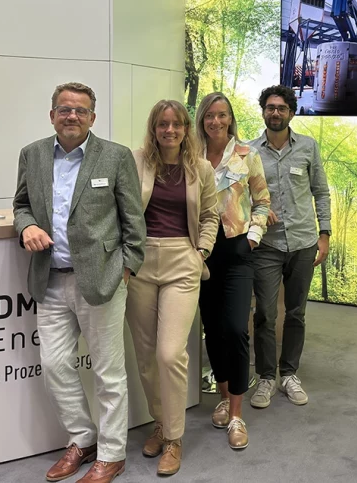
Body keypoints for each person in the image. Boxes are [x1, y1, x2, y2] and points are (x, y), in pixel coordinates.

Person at [12, 82, 145, 483]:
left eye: (81, 110)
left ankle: (112, 453)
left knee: (108, 373)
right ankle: (82, 438)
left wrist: (128, 267)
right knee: (53, 365)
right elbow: (20, 205)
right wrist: (27, 226)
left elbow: (133, 220)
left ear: (93, 117)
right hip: (49, 278)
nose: (72, 116)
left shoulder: (116, 156)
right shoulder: (32, 155)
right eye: (64, 109)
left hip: (102, 280)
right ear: (52, 114)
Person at [127, 100, 219, 476]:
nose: (169, 130)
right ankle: (160, 423)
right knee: (147, 356)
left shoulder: (201, 168)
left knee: (170, 354)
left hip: (183, 259)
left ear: (185, 129)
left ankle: (175, 437)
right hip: (141, 261)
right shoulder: (136, 161)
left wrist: (201, 252)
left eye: (176, 124)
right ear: (154, 127)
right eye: (162, 124)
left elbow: (211, 215)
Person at [196, 92, 271, 450]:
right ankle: (224, 397)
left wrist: (253, 238)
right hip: (201, 253)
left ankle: (238, 415)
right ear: (202, 119)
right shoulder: (188, 155)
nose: (216, 121)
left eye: (222, 115)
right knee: (212, 330)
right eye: (210, 115)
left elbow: (263, 200)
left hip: (238, 250)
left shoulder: (247, 154)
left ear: (230, 119)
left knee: (235, 330)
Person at [248, 85, 331, 410]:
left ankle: (289, 374)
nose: (276, 113)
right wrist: (253, 212)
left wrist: (324, 234)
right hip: (266, 245)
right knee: (265, 314)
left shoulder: (308, 147)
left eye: (282, 107)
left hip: (303, 243)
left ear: (292, 112)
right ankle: (267, 377)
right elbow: (238, 195)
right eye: (270, 107)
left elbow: (321, 193)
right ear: (264, 112)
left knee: (296, 313)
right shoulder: (250, 151)